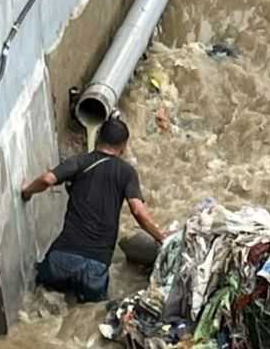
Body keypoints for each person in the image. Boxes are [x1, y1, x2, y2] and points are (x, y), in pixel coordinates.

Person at [21, 117, 165, 302]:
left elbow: (47, 179)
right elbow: (138, 211)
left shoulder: (80, 162)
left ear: (98, 138)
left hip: (61, 260)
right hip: (94, 269)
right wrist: (160, 237)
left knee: (43, 301)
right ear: (123, 146)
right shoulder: (127, 172)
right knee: (90, 313)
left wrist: (27, 191)